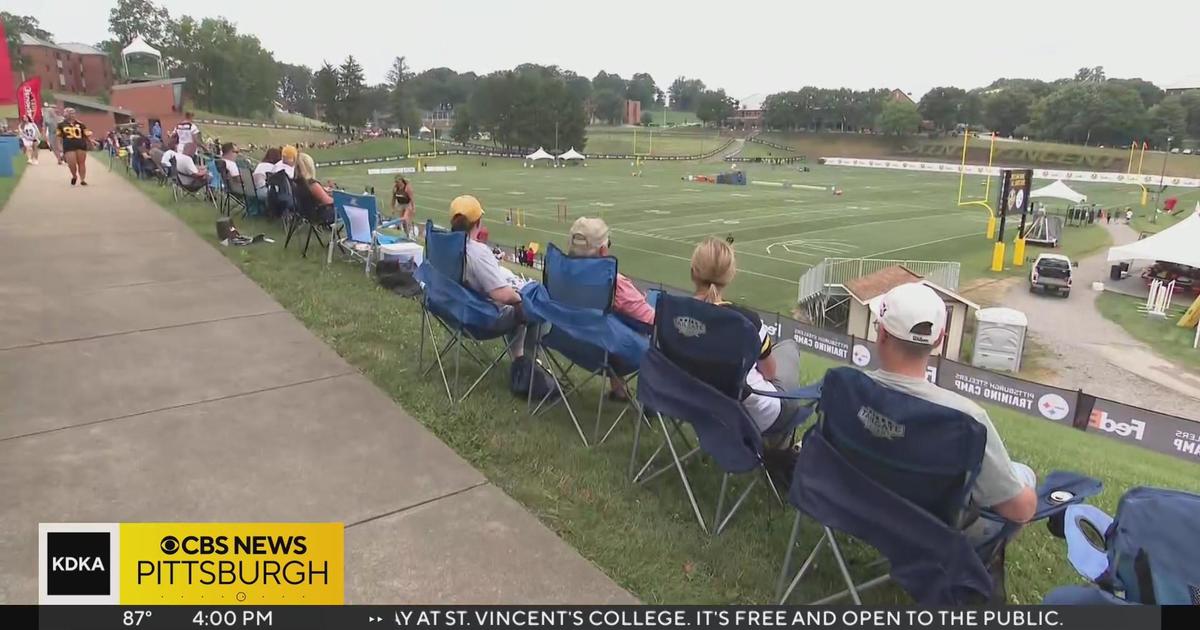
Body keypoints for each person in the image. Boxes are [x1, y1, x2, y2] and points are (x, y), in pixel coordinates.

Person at [866, 282, 1036, 542]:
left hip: (859, 506)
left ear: (882, 334)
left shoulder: (846, 385)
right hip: (929, 530)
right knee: (1023, 475)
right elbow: (1019, 509)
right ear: (939, 340)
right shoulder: (966, 419)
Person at [687, 237, 804, 436]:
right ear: (730, 275)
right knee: (789, 347)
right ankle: (781, 447)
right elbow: (769, 373)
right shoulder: (746, 321)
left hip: (694, 404)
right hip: (749, 417)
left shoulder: (672, 312)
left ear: (693, 272)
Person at [568, 217, 655, 399]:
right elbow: (652, 321)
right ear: (603, 250)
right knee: (641, 328)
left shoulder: (561, 275)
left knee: (612, 321)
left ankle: (619, 389)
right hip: (609, 351)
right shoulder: (615, 284)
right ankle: (653, 401)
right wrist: (643, 300)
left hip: (572, 344)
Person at [451, 195, 533, 361]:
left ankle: (522, 362)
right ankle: (525, 366)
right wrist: (519, 300)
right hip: (481, 318)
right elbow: (502, 295)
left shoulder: (446, 246)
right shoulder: (477, 252)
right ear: (478, 222)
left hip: (453, 311)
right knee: (534, 308)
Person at [56, 108, 93, 186]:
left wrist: (91, 143)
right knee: (71, 164)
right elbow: (59, 137)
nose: (72, 115)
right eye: (69, 113)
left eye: (73, 113)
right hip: (68, 146)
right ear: (66, 114)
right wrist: (60, 148)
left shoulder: (81, 124)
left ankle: (82, 179)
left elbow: (86, 135)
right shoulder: (61, 124)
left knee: (81, 163)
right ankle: (74, 176)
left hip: (80, 144)